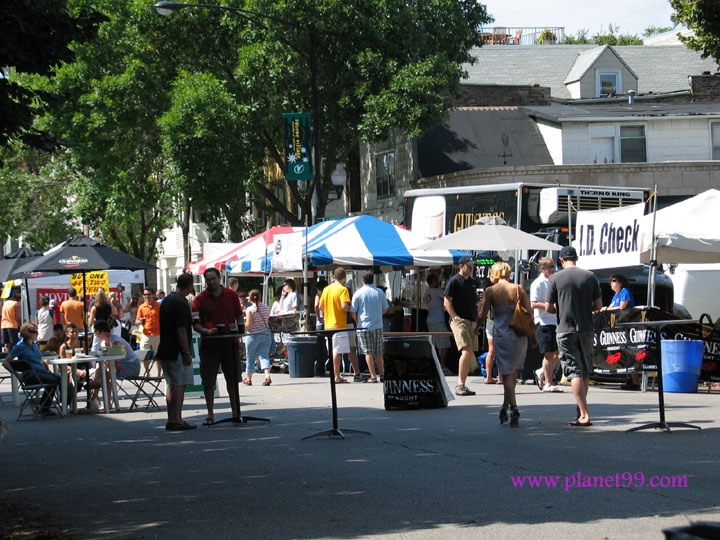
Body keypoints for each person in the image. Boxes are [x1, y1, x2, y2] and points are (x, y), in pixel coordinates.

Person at [546, 246, 602, 427]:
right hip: (586, 328)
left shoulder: (555, 278)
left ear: (561, 260)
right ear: (576, 258)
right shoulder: (590, 276)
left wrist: (559, 307)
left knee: (574, 372)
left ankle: (584, 414)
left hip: (565, 329)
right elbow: (598, 306)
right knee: (585, 371)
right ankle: (580, 410)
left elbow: (549, 307)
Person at [478, 262, 531, 427]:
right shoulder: (518, 288)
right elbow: (528, 313)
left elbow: (482, 314)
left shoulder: (490, 291)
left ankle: (513, 408)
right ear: (508, 272)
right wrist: (534, 334)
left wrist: (476, 327)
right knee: (512, 372)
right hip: (519, 335)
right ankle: (505, 406)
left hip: (501, 334)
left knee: (506, 373)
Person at [192, 267, 244, 425]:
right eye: (208, 279)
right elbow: (195, 324)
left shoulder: (231, 295)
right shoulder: (199, 299)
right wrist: (206, 331)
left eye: (213, 278)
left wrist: (240, 332)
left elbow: (239, 316)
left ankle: (236, 413)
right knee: (208, 381)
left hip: (230, 343)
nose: (211, 282)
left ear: (219, 278)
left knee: (232, 380)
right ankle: (210, 414)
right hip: (209, 345)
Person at [157, 273, 197, 431]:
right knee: (180, 384)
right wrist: (186, 351)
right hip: (177, 350)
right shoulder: (181, 302)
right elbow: (181, 330)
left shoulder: (166, 300)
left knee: (171, 384)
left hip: (165, 348)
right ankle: (178, 419)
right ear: (190, 286)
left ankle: (171, 418)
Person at [2, 323, 62, 416]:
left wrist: (45, 366)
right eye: (35, 332)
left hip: (41, 372)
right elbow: (6, 362)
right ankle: (53, 404)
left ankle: (48, 405)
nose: (37, 334)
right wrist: (17, 374)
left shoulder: (35, 345)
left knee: (60, 378)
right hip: (30, 375)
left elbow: (38, 360)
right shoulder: (20, 346)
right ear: (28, 333)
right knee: (55, 380)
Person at [319, 267, 363, 383]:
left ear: (334, 277)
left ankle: (336, 375)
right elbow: (344, 306)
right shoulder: (343, 289)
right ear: (344, 278)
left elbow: (320, 307)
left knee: (334, 350)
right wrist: (351, 308)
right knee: (337, 352)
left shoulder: (326, 289)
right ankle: (337, 376)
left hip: (328, 324)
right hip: (339, 324)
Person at [443, 256, 479, 396]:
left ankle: (462, 384)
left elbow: (475, 302)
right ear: (461, 266)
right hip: (460, 320)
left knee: (469, 352)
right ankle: (460, 385)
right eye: (468, 266)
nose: (471, 268)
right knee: (467, 351)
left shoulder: (473, 282)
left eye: (472, 266)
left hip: (471, 320)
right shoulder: (454, 281)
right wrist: (455, 317)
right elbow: (446, 302)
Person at [88, 320, 141, 411]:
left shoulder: (115, 341)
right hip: (119, 367)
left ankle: (95, 395)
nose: (95, 335)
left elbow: (118, 360)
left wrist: (108, 362)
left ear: (101, 331)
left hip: (131, 366)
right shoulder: (104, 343)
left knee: (104, 374)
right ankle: (103, 399)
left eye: (96, 332)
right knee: (102, 370)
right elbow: (112, 362)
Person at [530, 257, 563, 393]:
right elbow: (533, 303)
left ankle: (541, 371)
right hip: (544, 321)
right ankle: (548, 383)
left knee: (560, 352)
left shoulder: (554, 281)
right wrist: (550, 306)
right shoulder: (538, 283)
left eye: (553, 266)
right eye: (550, 266)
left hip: (556, 321)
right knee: (549, 354)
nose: (553, 269)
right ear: (542, 268)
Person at [351, 272, 389, 383]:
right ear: (373, 280)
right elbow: (385, 308)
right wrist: (377, 315)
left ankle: (373, 376)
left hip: (363, 326)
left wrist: (357, 321)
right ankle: (382, 374)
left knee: (368, 352)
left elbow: (353, 311)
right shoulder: (379, 292)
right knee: (378, 352)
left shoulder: (358, 293)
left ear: (362, 280)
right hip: (378, 325)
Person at [242, 289, 272, 386]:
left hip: (253, 336)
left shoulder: (250, 309)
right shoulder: (266, 307)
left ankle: (249, 378)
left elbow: (249, 325)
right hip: (265, 335)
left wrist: (243, 324)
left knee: (250, 357)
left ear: (250, 298)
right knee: (264, 356)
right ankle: (267, 376)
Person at [424, 274, 452, 376]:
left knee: (435, 344)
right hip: (438, 320)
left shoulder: (426, 293)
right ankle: (442, 366)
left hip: (430, 319)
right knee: (445, 343)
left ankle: (436, 365)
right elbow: (448, 296)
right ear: (434, 281)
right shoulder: (437, 292)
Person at [136, 287, 161, 375]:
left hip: (157, 334)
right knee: (144, 356)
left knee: (158, 356)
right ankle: (147, 373)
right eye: (145, 294)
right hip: (145, 334)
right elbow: (136, 321)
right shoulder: (142, 307)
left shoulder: (158, 305)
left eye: (148, 294)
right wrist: (140, 321)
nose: (147, 296)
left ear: (153, 295)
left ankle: (158, 374)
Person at [2, 287, 22, 352]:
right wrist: (21, 322)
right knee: (15, 343)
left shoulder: (5, 303)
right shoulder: (16, 304)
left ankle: (8, 357)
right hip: (12, 325)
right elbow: (16, 317)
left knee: (8, 344)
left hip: (4, 325)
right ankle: (16, 357)